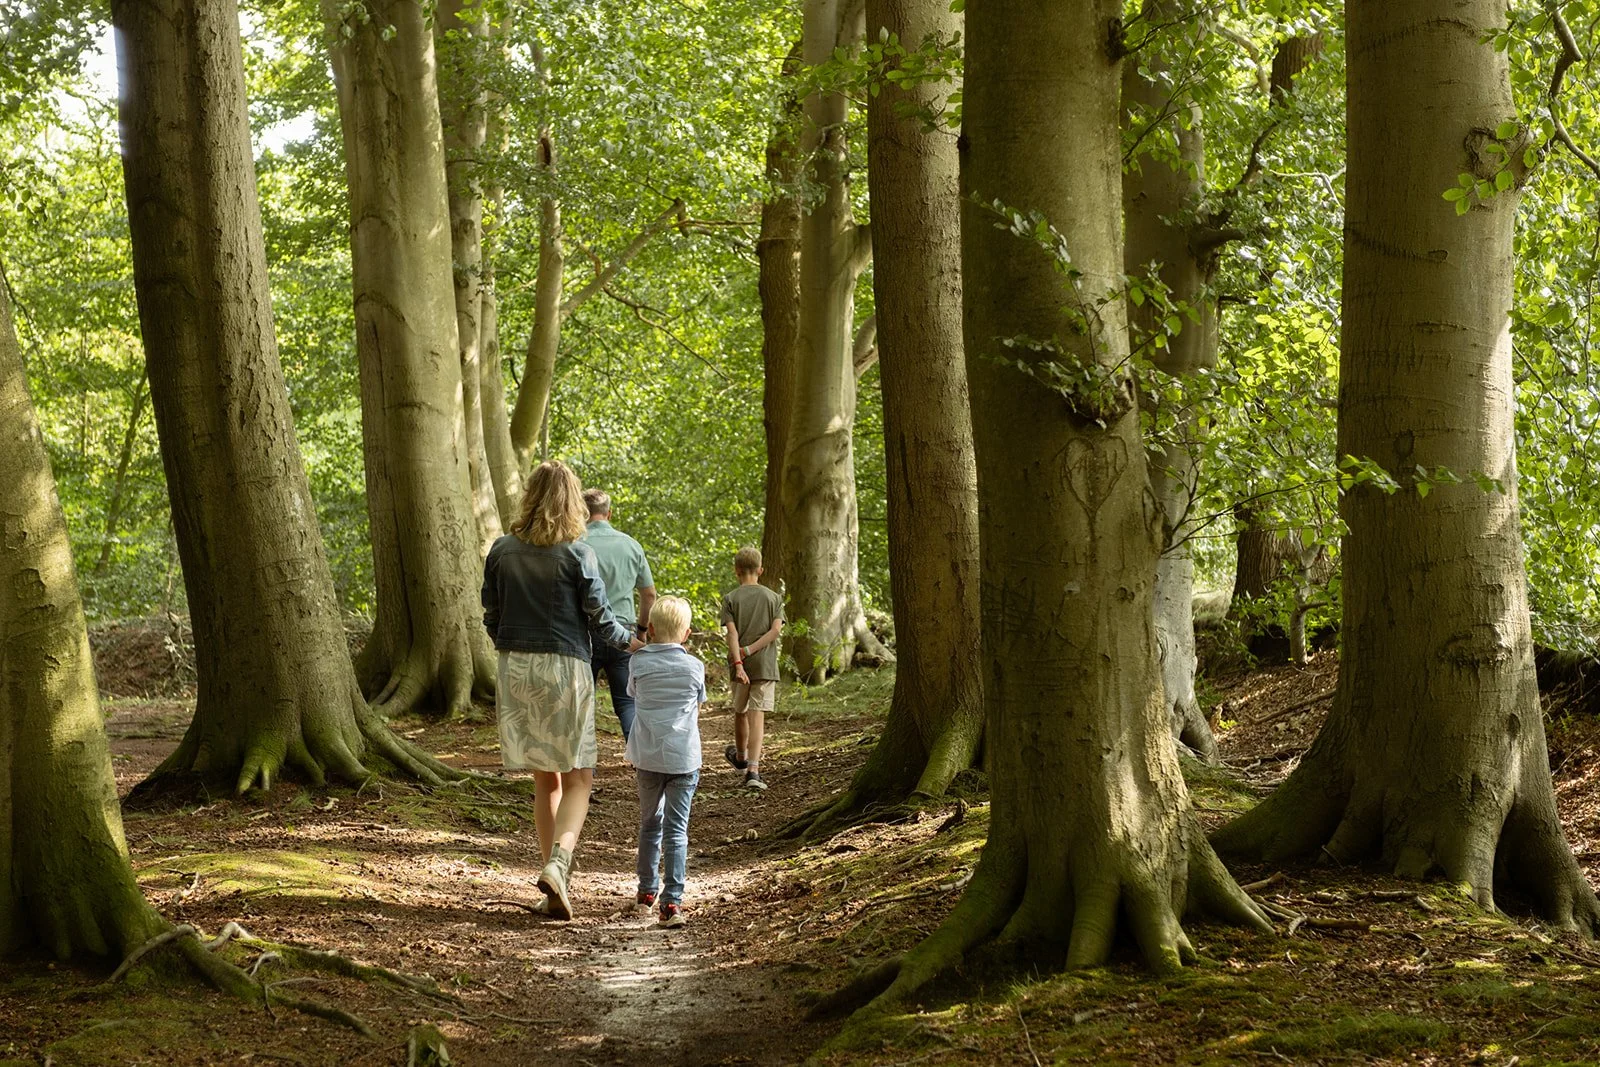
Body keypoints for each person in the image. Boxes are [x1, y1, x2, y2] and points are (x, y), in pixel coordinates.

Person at [481, 460, 641, 919]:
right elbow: (601, 617)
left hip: (515, 668)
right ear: (572, 501)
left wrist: (511, 651)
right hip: (565, 666)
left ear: (529, 496)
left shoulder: (502, 549)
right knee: (579, 778)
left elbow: (491, 614)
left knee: (544, 778)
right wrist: (634, 643)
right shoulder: (577, 552)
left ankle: (553, 890)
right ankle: (558, 864)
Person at [625, 595, 704, 928]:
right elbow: (699, 702)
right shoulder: (694, 667)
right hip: (683, 758)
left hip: (646, 756)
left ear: (652, 629)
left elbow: (633, 695)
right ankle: (672, 903)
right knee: (676, 830)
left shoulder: (638, 663)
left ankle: (646, 891)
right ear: (686, 633)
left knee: (649, 824)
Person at [581, 488, 656, 741]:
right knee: (626, 703)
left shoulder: (574, 545)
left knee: (583, 704)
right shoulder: (630, 545)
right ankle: (639, 759)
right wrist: (642, 632)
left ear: (582, 513)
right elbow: (649, 595)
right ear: (609, 513)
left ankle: (583, 767)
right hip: (624, 633)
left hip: (583, 633)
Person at [720, 546, 784, 791]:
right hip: (765, 665)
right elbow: (776, 631)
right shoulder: (774, 598)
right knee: (757, 715)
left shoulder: (731, 598)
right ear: (760, 570)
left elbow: (732, 634)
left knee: (740, 711)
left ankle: (740, 756)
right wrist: (753, 650)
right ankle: (753, 771)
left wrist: (739, 661)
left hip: (740, 665)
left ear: (737, 572)